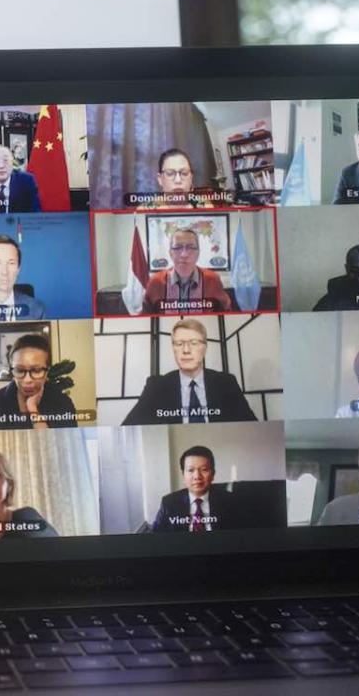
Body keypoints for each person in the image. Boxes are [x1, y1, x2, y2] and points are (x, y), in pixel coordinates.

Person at [122, 319, 257, 425]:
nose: (186, 350)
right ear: (173, 348)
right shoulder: (156, 386)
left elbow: (252, 426)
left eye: (193, 343)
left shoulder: (226, 382)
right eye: (179, 344)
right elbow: (129, 426)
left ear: (204, 348)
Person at [0, 333, 79, 429]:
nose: (27, 379)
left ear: (47, 371)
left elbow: (59, 446)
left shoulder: (61, 402)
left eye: (37, 370)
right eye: (20, 370)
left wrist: (33, 408)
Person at [141, 227, 230, 313]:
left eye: (190, 247)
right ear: (170, 253)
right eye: (178, 247)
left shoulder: (213, 280)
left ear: (198, 253)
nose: (184, 254)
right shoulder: (155, 282)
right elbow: (146, 320)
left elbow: (227, 316)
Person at [151, 445, 238, 532]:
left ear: (213, 474)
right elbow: (155, 537)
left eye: (204, 469)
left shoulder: (229, 502)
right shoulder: (169, 503)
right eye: (190, 470)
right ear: (183, 475)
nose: (197, 476)